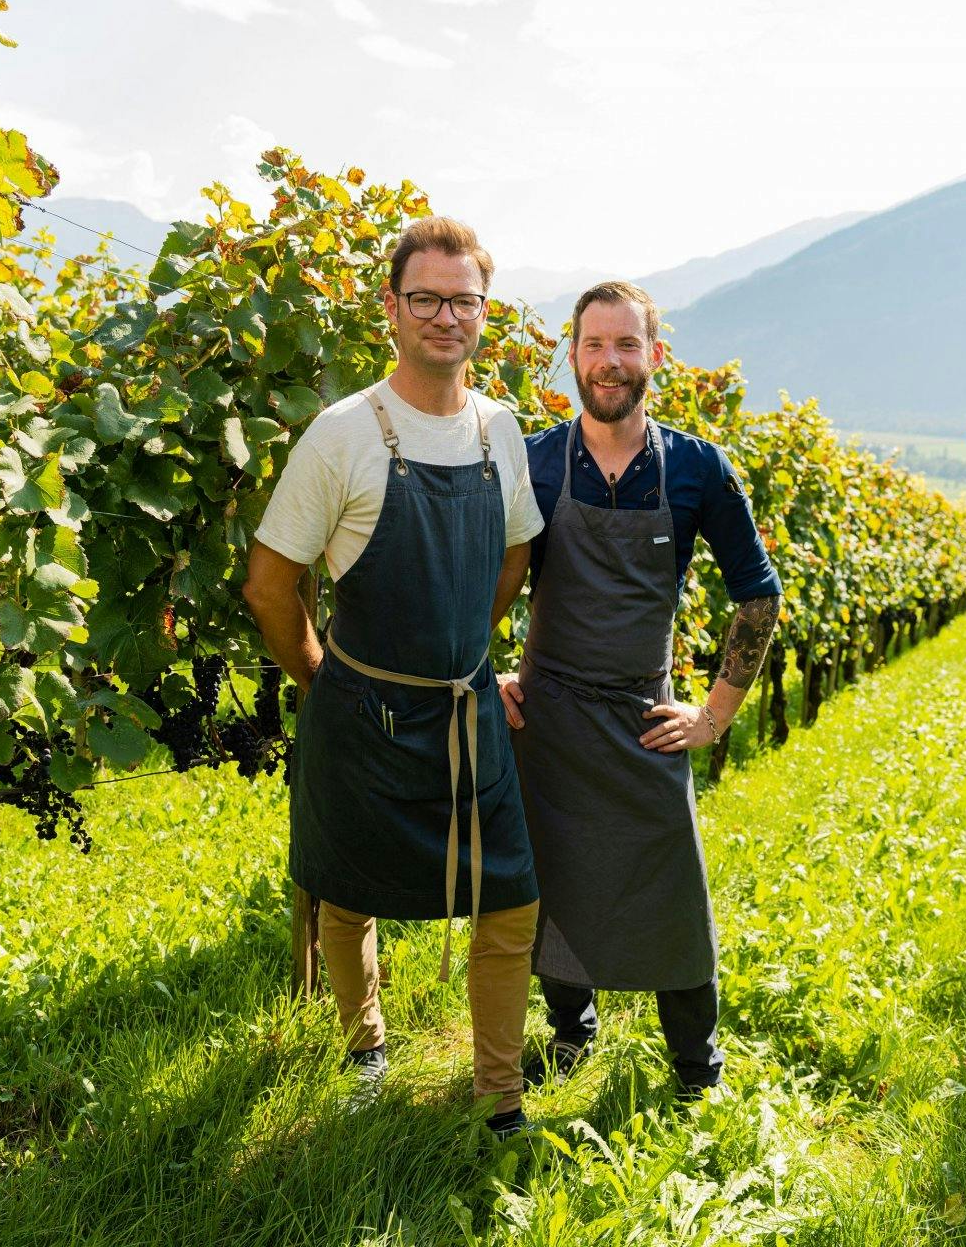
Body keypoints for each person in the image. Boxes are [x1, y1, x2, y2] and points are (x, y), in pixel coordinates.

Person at [243, 216, 543, 1136]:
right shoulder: (345, 433)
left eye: (464, 300)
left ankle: (498, 1093)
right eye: (426, 299)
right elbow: (269, 583)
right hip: (361, 710)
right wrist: (322, 676)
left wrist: (463, 649)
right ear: (392, 308)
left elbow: (515, 555)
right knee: (347, 891)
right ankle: (364, 1050)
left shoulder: (499, 429)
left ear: (483, 312)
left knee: (512, 896)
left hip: (465, 708)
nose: (446, 317)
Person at [500, 280, 781, 1098]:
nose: (610, 361)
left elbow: (759, 596)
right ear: (573, 356)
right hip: (548, 719)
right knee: (556, 885)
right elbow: (482, 578)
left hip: (643, 719)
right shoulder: (535, 462)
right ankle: (570, 1036)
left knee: (673, 896)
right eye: (595, 344)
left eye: (627, 344)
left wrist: (714, 716)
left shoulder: (697, 468)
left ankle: (696, 1073)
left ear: (655, 355)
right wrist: (491, 671)